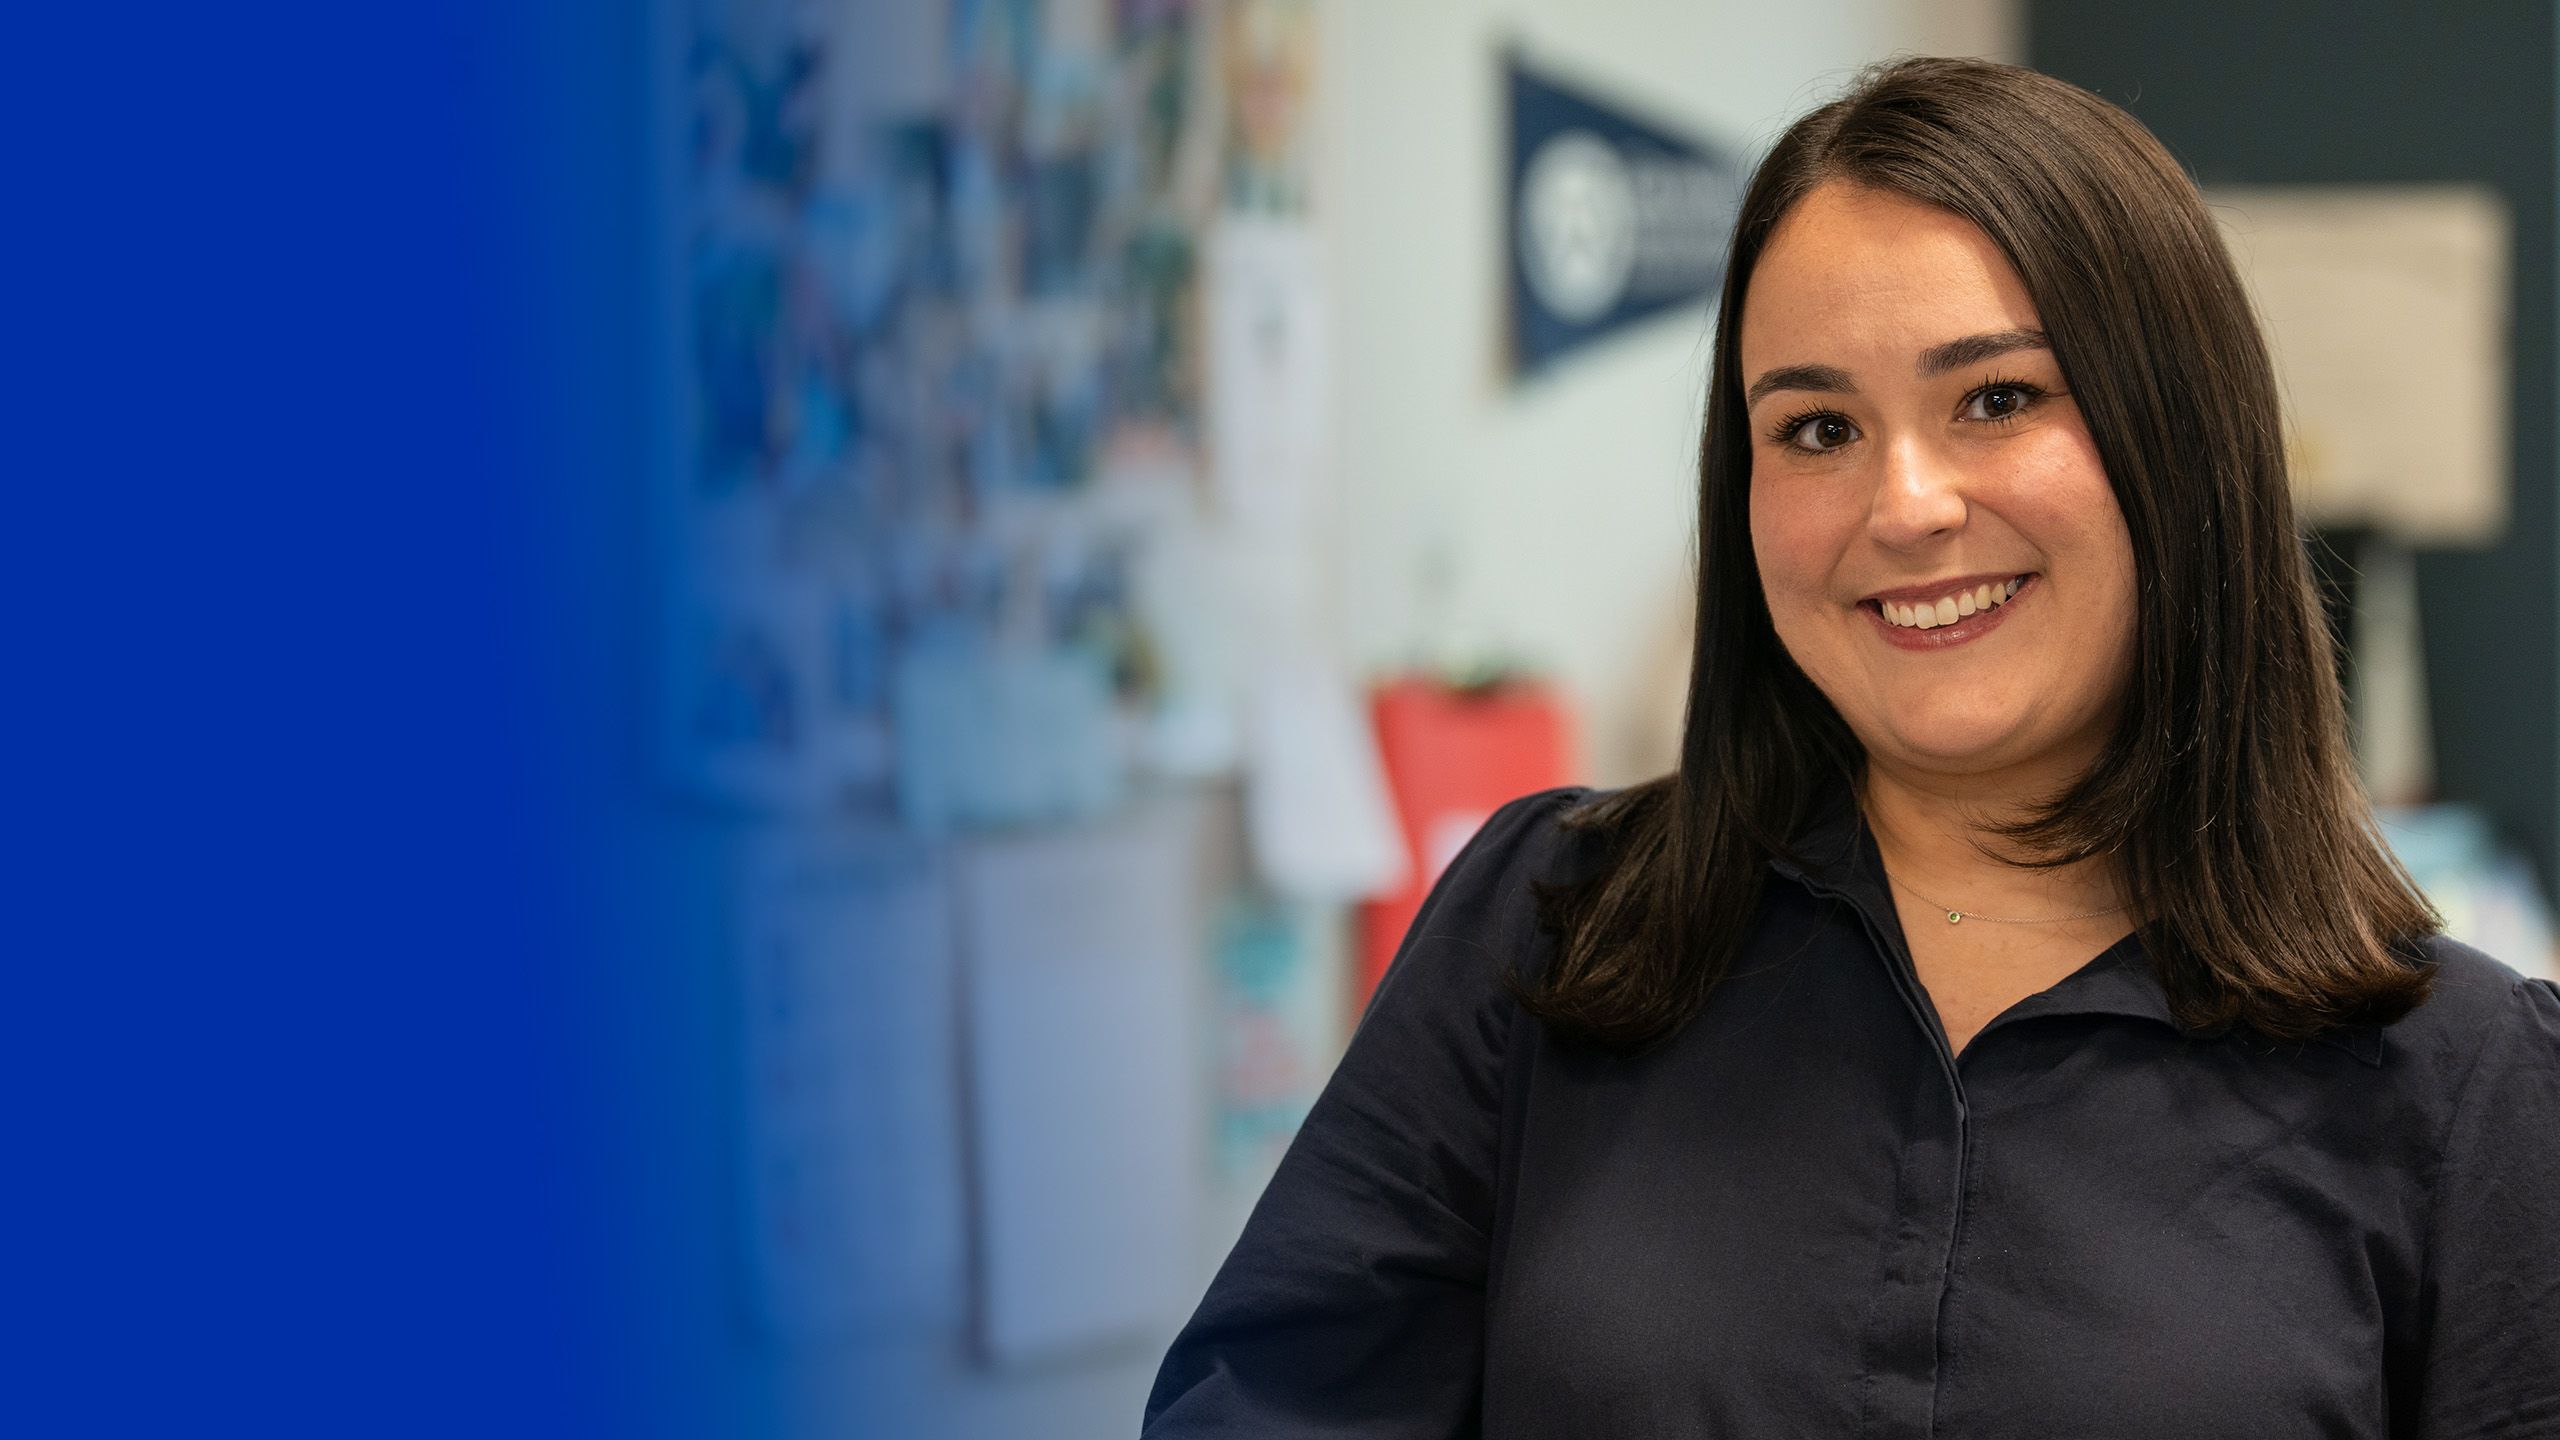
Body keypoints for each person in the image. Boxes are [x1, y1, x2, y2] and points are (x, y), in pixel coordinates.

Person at [1140, 56, 2560, 1438]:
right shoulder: (1552, 929)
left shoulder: (2465, 1087)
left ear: (2179, 445)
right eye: (1817, 427)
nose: (1905, 504)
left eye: (1997, 399)